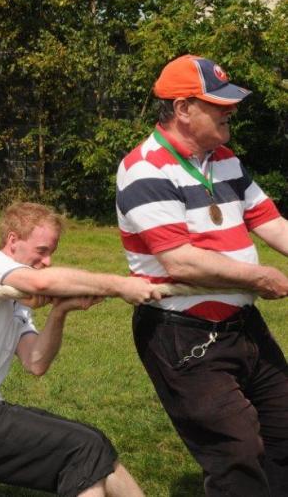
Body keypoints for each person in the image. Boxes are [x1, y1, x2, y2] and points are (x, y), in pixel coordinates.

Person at [116, 54, 288, 495]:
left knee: (283, 431)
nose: (231, 111)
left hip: (242, 325)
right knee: (237, 449)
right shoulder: (144, 168)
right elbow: (180, 261)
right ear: (183, 109)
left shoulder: (227, 160)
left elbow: (271, 224)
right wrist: (261, 278)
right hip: (183, 335)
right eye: (219, 104)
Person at [0, 201, 158, 497]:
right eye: (42, 251)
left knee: (95, 445)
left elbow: (36, 363)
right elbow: (39, 281)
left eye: (51, 253)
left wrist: (60, 313)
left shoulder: (18, 303)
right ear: (12, 242)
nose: (47, 261)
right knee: (83, 449)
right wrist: (120, 284)